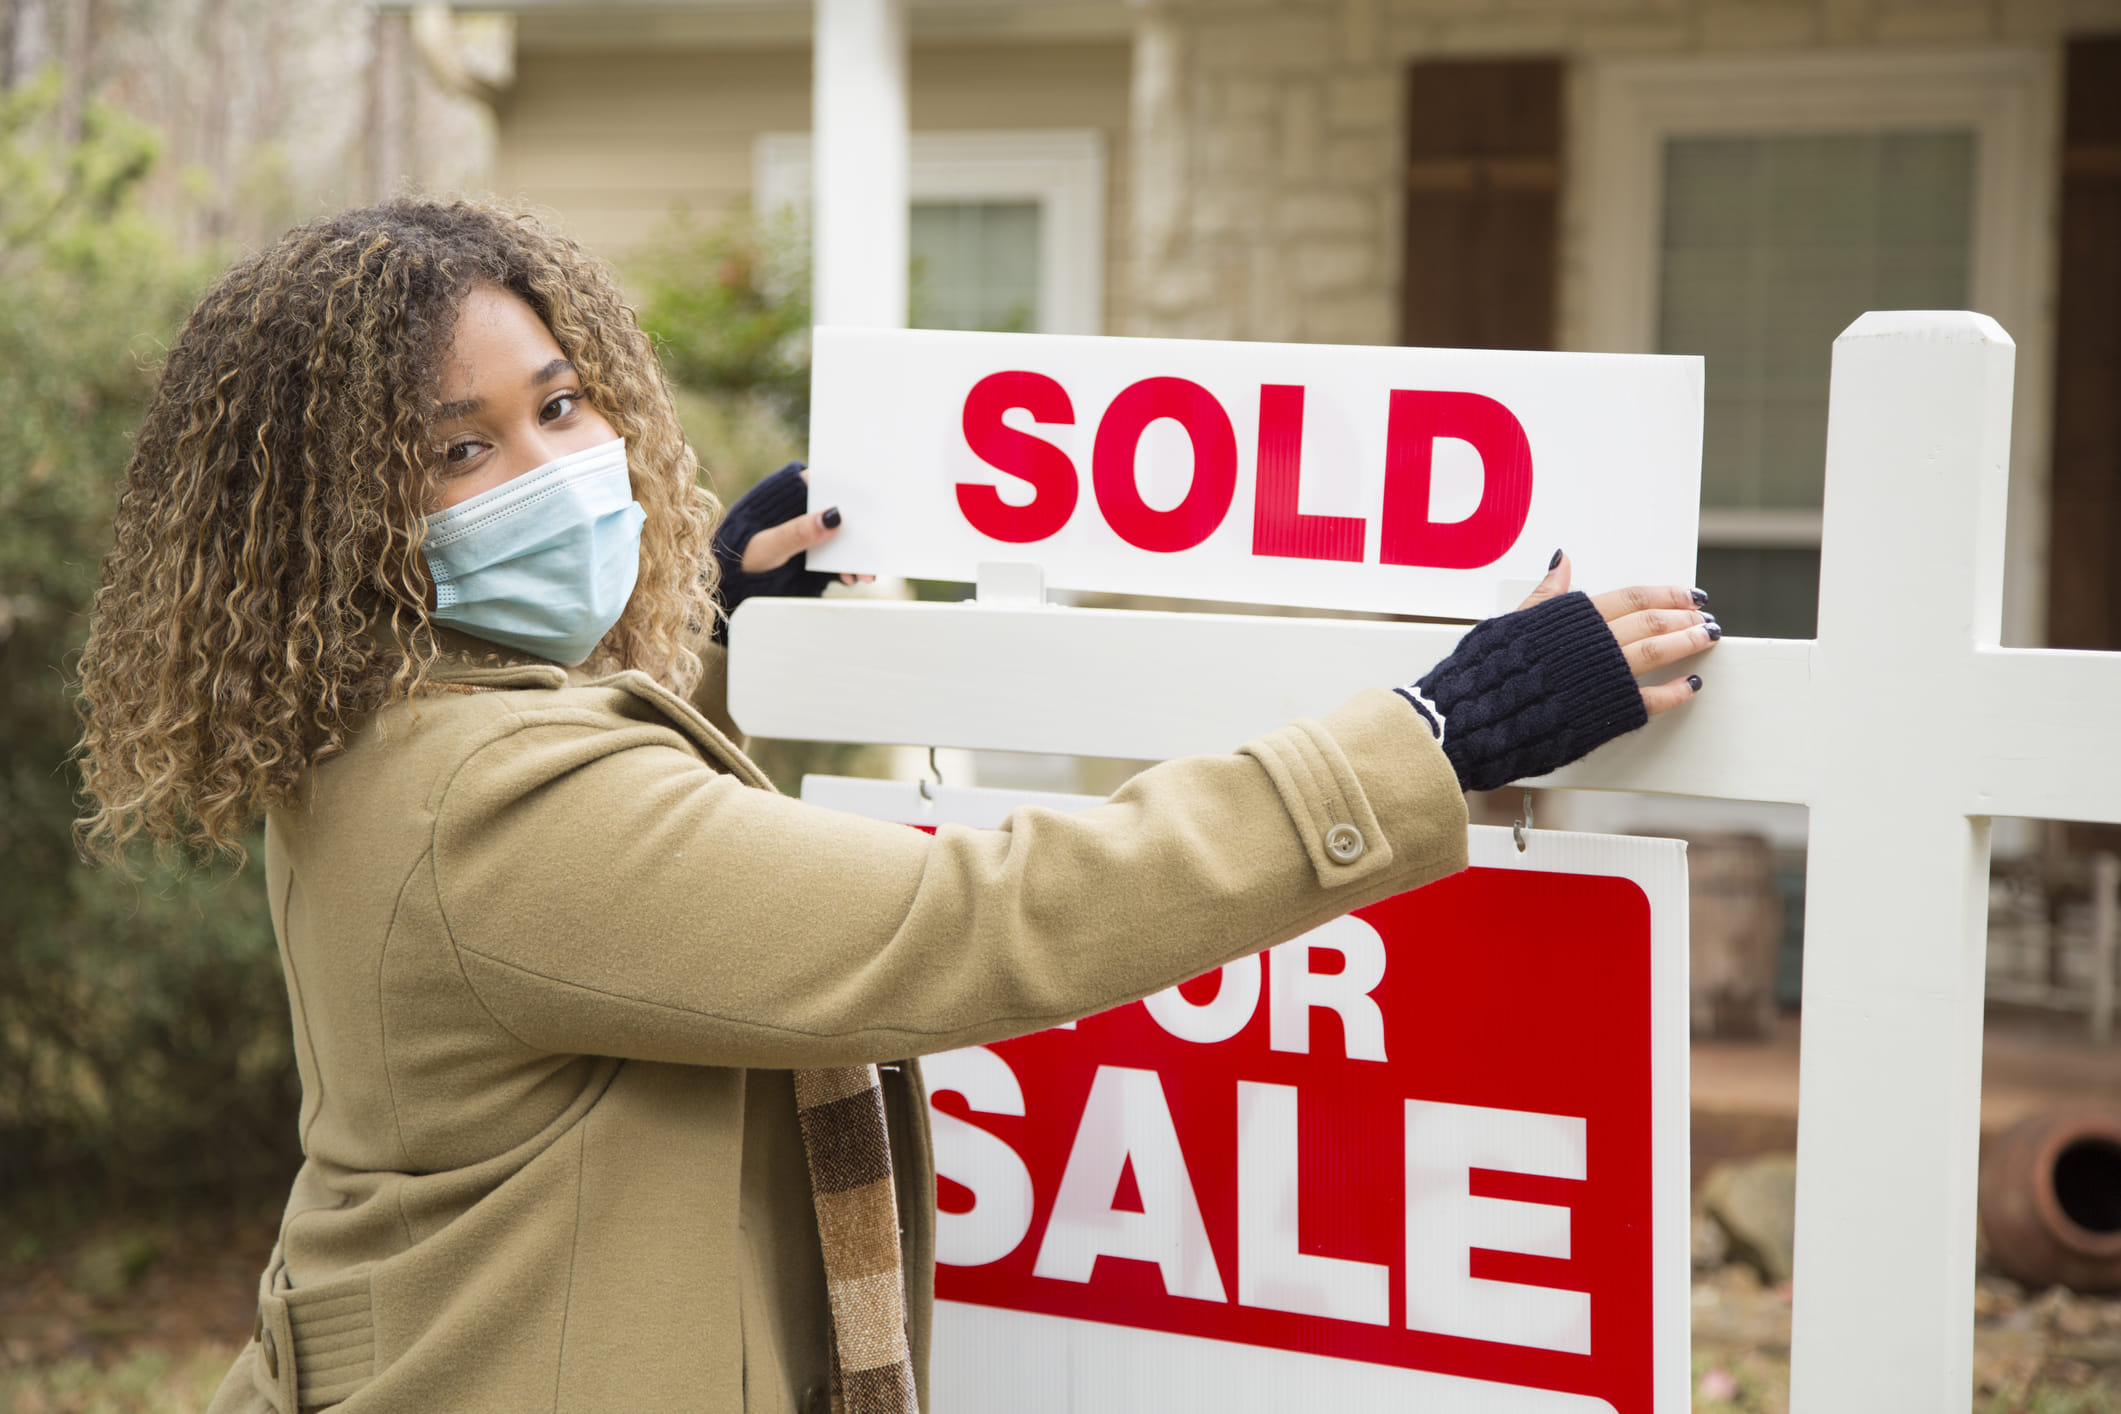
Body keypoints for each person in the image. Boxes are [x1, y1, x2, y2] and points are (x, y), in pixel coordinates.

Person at [72, 198, 1718, 1414]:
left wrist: (713, 636)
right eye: (458, 450)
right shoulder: (485, 801)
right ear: (338, 512)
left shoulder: (382, 732)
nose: (558, 466)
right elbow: (956, 923)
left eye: (561, 405)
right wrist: (1430, 734)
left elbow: (624, 881)